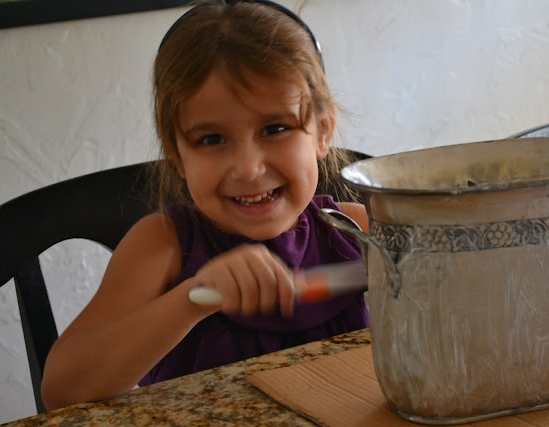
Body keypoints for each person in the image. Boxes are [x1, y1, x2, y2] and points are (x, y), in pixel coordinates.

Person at [40, 0, 369, 410]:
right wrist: (192, 299)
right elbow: (62, 391)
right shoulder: (164, 244)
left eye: (274, 128)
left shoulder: (358, 231)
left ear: (322, 131)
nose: (248, 168)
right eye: (212, 139)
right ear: (177, 155)